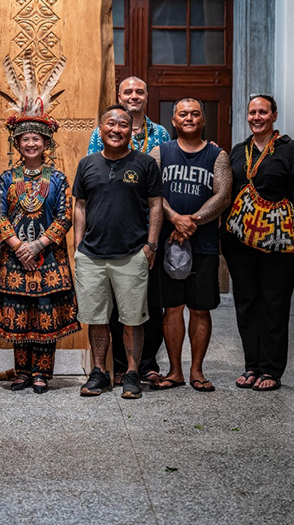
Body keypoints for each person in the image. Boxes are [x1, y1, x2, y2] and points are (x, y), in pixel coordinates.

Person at [73, 105, 163, 399]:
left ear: (130, 130)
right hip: (91, 255)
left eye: (123, 124)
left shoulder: (145, 163)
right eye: (110, 123)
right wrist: (77, 246)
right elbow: (80, 206)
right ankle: (99, 372)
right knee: (96, 318)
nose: (116, 129)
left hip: (132, 254)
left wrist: (151, 245)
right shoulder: (87, 164)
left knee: (133, 319)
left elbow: (155, 204)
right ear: (101, 129)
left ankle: (133, 373)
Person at [87, 77, 170, 387]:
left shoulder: (160, 134)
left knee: (150, 302)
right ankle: (119, 364)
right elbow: (93, 173)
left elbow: (163, 183)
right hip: (112, 229)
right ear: (118, 96)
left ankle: (147, 363)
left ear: (147, 96)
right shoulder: (102, 132)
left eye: (139, 91)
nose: (134, 96)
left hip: (149, 230)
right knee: (113, 303)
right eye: (128, 92)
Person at [0, 106, 79, 394]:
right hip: (15, 258)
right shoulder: (7, 178)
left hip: (49, 258)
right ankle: (22, 371)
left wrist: (39, 244)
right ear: (17, 144)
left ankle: (42, 372)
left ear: (46, 143)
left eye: (36, 139)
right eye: (25, 139)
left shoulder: (58, 178)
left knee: (45, 315)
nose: (31, 144)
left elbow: (65, 215)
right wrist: (18, 247)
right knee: (19, 314)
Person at [223, 94, 294, 391]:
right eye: (252, 112)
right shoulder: (239, 150)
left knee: (274, 303)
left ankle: (271, 369)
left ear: (274, 115)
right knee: (246, 302)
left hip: (278, 241)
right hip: (240, 242)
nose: (256, 117)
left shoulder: (290, 149)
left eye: (262, 112)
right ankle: (251, 365)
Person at [148, 99, 231, 392]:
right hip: (168, 243)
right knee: (172, 308)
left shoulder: (217, 154)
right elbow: (153, 192)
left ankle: (197, 371)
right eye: (183, 114)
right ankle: (174, 371)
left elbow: (223, 196)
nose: (189, 118)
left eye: (195, 113)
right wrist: (174, 219)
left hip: (204, 245)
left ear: (203, 120)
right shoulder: (160, 152)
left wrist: (191, 221)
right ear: (173, 120)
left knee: (200, 309)